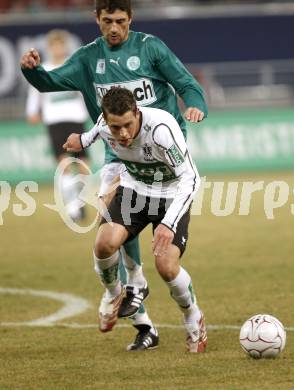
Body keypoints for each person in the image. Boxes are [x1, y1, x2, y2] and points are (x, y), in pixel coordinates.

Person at [20, 0, 208, 350]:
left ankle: (139, 290)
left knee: (143, 246)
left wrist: (197, 104)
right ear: (97, 19)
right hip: (117, 152)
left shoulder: (151, 48)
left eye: (121, 21)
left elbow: (185, 82)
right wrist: (33, 71)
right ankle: (140, 311)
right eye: (107, 21)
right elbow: (50, 82)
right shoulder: (89, 58)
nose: (114, 28)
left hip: (159, 152)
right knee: (109, 232)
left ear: (130, 19)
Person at [63, 87, 207, 353]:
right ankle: (114, 293)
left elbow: (191, 179)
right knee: (104, 243)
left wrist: (168, 224)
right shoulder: (105, 126)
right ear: (107, 120)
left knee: (166, 265)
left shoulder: (161, 130)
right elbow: (91, 134)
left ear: (137, 113)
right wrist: (79, 141)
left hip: (172, 195)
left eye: (128, 125)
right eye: (116, 128)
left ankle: (193, 316)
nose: (124, 134)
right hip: (134, 191)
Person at [26, 29, 89, 220]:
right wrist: (32, 111)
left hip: (76, 118)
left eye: (60, 45)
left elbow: (84, 90)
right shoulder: (43, 68)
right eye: (54, 46)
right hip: (54, 120)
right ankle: (71, 206)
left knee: (84, 164)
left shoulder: (73, 66)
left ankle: (79, 201)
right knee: (64, 164)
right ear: (49, 48)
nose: (57, 49)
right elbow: (35, 92)